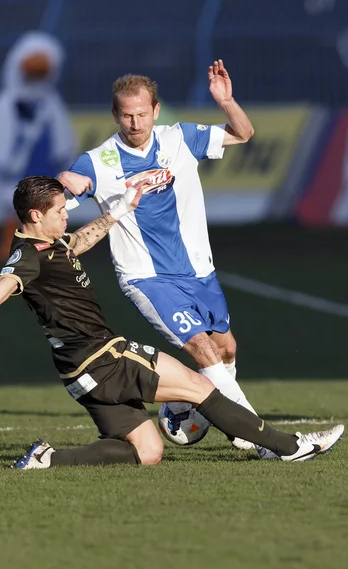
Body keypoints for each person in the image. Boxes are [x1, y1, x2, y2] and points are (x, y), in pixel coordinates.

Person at [0, 175, 344, 469]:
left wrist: (120, 210)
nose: (66, 215)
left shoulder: (49, 243)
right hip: (104, 357)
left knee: (147, 450)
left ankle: (47, 459)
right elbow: (2, 287)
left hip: (78, 373)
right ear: (35, 215)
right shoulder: (25, 256)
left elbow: (76, 243)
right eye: (60, 211)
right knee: (197, 385)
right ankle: (290, 447)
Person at [57, 60, 262, 451]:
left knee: (227, 348)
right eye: (126, 116)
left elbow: (243, 133)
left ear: (155, 110)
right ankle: (252, 431)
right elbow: (64, 192)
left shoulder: (179, 138)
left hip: (199, 269)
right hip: (146, 277)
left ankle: (197, 410)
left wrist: (227, 101)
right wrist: (66, 182)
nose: (135, 123)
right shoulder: (99, 161)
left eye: (141, 114)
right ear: (115, 115)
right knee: (201, 347)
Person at [0, 31, 76, 262]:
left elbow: (62, 133)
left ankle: (48, 245)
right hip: (16, 163)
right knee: (12, 203)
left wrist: (64, 157)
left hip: (43, 161)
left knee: (45, 205)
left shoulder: (50, 102)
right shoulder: (7, 102)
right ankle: (9, 245)